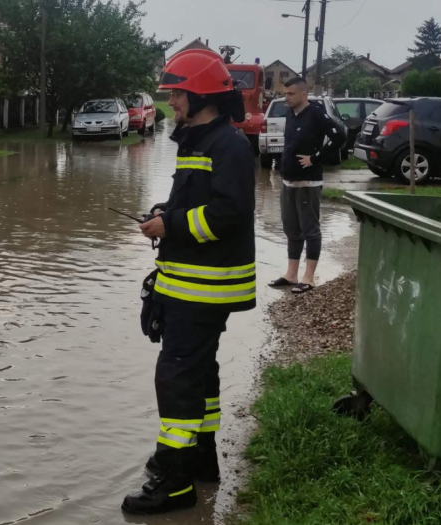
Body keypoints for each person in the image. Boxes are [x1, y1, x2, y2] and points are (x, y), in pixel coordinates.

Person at [122, 49, 257, 515]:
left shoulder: (229, 146)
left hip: (205, 287)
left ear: (201, 94)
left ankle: (173, 481)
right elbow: (196, 201)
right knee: (199, 371)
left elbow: (229, 214)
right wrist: (165, 212)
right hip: (190, 283)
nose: (172, 102)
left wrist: (171, 227)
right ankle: (201, 459)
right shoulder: (199, 141)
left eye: (177, 93)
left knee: (177, 375)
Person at [268, 77, 346, 294]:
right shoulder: (290, 114)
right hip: (288, 181)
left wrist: (316, 158)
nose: (287, 97)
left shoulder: (316, 113)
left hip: (308, 182)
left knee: (309, 230)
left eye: (291, 94)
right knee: (291, 229)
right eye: (285, 94)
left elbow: (340, 137)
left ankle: (308, 278)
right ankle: (291, 274)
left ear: (304, 94)